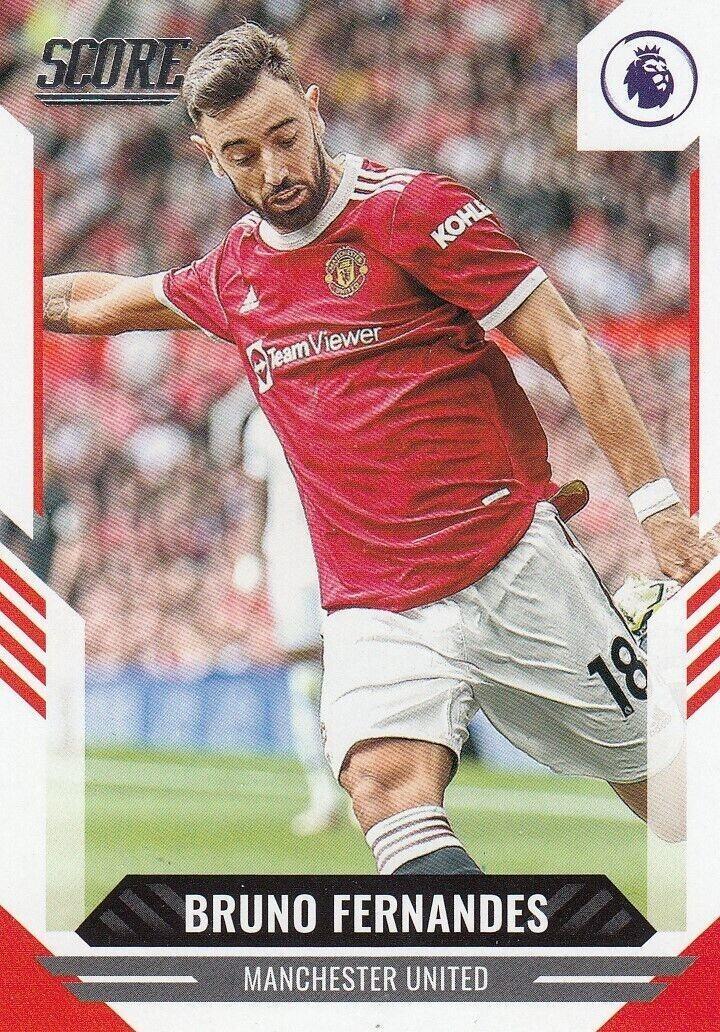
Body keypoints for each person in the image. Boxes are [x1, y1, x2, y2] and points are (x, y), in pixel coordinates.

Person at [43, 23, 714, 876]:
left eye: (286, 136)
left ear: (315, 109)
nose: (275, 170)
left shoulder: (412, 211)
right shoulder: (234, 275)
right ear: (210, 159)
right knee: (382, 788)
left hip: (510, 564)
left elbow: (568, 343)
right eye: (243, 155)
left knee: (676, 808)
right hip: (374, 603)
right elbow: (97, 301)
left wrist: (659, 510)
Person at [242, 407, 344, 835]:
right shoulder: (261, 421)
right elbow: (257, 493)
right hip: (286, 560)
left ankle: (366, 784)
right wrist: (249, 552)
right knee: (305, 682)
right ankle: (323, 792)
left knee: (347, 668)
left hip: (337, 554)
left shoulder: (331, 406)